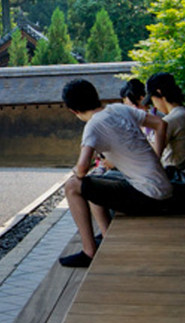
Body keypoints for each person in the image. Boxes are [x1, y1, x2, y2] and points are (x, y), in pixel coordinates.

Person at [59, 79, 172, 268]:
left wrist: (75, 171)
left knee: (72, 186)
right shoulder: (119, 109)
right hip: (163, 187)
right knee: (97, 182)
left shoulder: (93, 126)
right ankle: (106, 237)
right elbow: (160, 124)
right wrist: (156, 157)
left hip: (148, 196)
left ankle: (89, 251)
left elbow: (82, 169)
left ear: (74, 111)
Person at [133, 72, 185, 170]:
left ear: (159, 92)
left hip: (174, 174)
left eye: (153, 100)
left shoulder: (169, 121)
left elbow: (151, 155)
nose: (155, 106)